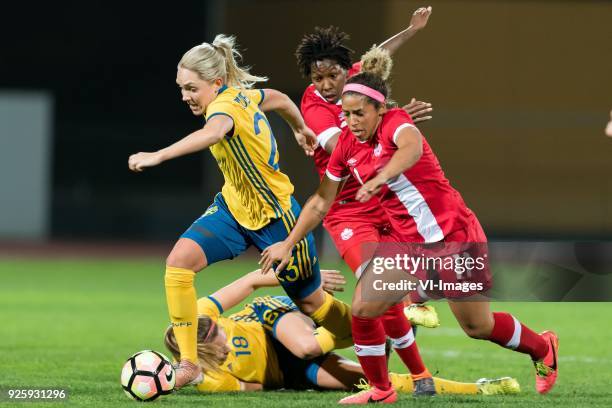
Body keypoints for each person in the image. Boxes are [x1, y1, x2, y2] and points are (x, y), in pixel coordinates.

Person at [261, 48, 559, 404]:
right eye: (346, 114)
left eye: (359, 113)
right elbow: (321, 201)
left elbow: (410, 150)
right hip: (407, 244)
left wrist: (382, 176)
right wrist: (289, 242)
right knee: (364, 309)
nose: (352, 121)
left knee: (477, 326)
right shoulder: (346, 147)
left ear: (380, 108)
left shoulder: (397, 122)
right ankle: (382, 390)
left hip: (455, 235)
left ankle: (543, 347)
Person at [128, 34, 353, 388]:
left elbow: (214, 133)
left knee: (313, 304)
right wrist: (300, 128)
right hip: (234, 209)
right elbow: (277, 98)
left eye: (191, 88)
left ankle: (372, 330)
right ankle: (189, 362)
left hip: (277, 218)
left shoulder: (224, 109)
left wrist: (158, 155)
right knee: (179, 262)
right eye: (181, 88)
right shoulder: (243, 97)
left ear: (216, 83)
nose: (185, 96)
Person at [295, 8, 439, 328]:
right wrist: (389, 117)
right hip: (346, 206)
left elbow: (378, 55)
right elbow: (342, 150)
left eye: (333, 75)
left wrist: (411, 29)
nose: (326, 84)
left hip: (379, 196)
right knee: (377, 287)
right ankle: (410, 309)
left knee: (387, 291)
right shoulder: (315, 106)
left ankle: (408, 322)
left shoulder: (358, 84)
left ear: (348, 71)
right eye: (318, 78)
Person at [163, 267, 520, 396]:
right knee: (373, 379)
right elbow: (255, 386)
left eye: (219, 332)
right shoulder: (209, 376)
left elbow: (254, 279)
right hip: (290, 372)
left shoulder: (201, 315)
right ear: (202, 352)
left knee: (305, 346)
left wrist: (308, 284)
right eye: (217, 340)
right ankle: (481, 387)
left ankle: (396, 306)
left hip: (272, 321)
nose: (223, 337)